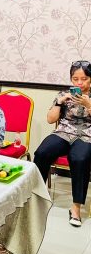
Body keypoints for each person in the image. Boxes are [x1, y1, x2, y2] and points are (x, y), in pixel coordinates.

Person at [34, 61, 91, 227]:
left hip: (87, 134)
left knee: (79, 158)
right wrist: (60, 102)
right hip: (64, 132)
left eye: (84, 79)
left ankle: (76, 207)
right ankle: (37, 195)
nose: (79, 83)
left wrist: (88, 104)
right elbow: (51, 119)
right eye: (75, 79)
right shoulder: (64, 93)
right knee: (42, 152)